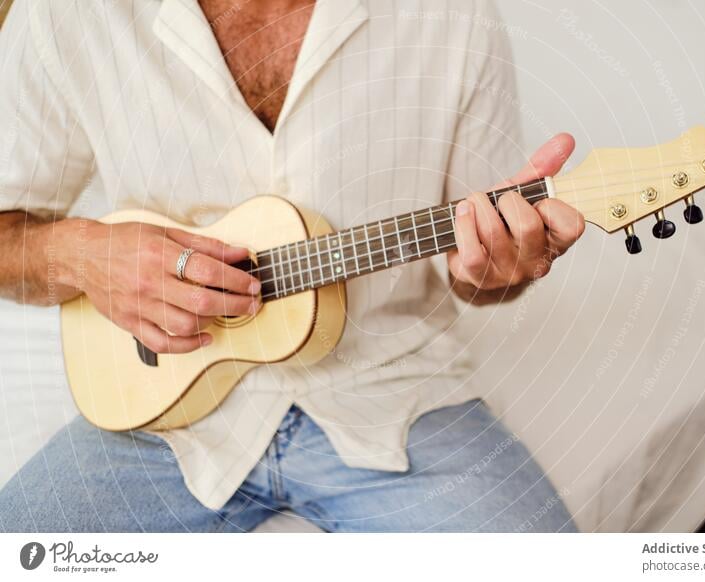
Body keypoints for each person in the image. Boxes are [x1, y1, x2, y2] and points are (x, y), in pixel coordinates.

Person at [0, 0, 584, 532]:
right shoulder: (67, 14)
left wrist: (498, 269)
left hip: (392, 392)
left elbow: (478, 277)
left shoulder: (454, 16)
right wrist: (80, 255)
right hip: (156, 412)